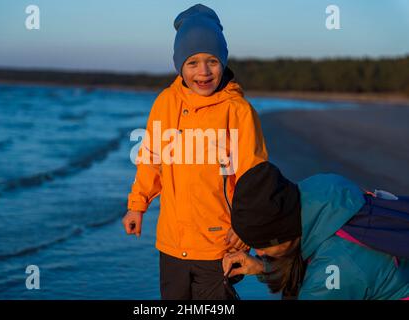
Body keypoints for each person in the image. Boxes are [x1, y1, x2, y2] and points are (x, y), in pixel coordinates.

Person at [122, 4, 268, 300]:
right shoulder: (165, 102)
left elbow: (254, 176)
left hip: (220, 243)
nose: (203, 71)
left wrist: (246, 227)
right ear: (180, 66)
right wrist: (137, 204)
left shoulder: (237, 111)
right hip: (172, 242)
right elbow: (151, 159)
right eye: (193, 63)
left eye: (212, 61)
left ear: (223, 62)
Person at [222, 161, 409, 300]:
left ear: (282, 233)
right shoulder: (324, 201)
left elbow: (329, 273)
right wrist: (263, 267)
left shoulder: (337, 264)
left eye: (261, 246)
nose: (260, 252)